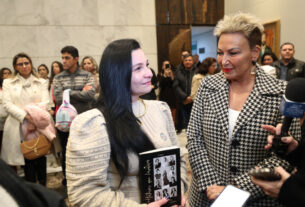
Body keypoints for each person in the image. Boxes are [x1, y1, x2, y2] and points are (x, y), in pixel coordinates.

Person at [187, 12, 301, 206]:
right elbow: (194, 138)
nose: (224, 61)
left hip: (255, 199)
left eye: (233, 53)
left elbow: (285, 155)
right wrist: (210, 183)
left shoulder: (280, 93)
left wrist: (235, 190)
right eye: (220, 52)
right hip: (207, 197)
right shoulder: (208, 86)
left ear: (255, 52)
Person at [65, 39, 187, 206]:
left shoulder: (160, 109)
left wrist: (176, 194)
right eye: (138, 68)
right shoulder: (93, 123)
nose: (149, 73)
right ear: (117, 74)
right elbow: (84, 194)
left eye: (147, 65)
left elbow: (177, 158)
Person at [1, 53, 50, 185]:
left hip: (38, 123)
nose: (24, 66)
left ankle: (43, 187)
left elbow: (45, 102)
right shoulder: (8, 82)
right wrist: (27, 117)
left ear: (31, 64)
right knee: (27, 156)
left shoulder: (42, 81)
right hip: (18, 124)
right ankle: (32, 189)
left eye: (26, 63)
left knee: (40, 153)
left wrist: (34, 120)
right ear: (15, 67)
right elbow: (7, 104)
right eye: (20, 64)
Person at [53, 46, 95, 186]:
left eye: (67, 58)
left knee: (86, 149)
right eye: (62, 58)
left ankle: (87, 178)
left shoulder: (87, 75)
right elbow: (59, 98)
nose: (63, 61)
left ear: (76, 59)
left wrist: (68, 92)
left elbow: (90, 95)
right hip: (66, 122)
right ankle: (69, 179)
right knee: (67, 151)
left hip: (85, 119)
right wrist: (79, 92)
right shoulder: (58, 77)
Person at [173, 54, 196, 129]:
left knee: (196, 123)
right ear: (183, 62)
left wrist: (192, 98)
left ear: (193, 61)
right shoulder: (178, 72)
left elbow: (199, 86)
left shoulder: (197, 71)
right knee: (187, 123)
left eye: (189, 60)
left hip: (195, 102)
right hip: (184, 101)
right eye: (186, 60)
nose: (188, 62)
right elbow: (176, 86)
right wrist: (185, 97)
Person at [158, 60, 177, 126]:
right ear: (162, 67)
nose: (166, 66)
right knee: (163, 113)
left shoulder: (173, 73)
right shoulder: (160, 74)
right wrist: (165, 76)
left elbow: (175, 84)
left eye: (168, 65)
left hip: (172, 96)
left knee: (172, 114)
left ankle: (172, 128)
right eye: (165, 65)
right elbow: (160, 84)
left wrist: (171, 75)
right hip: (163, 96)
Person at [0, 68, 11, 153]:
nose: (6, 75)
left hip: (10, 117)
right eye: (4, 73)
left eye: (8, 73)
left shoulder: (12, 87)